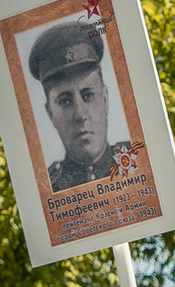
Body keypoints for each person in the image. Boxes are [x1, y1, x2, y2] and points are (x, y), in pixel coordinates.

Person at [27, 19, 138, 191]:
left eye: (88, 95)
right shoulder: (48, 189)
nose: (80, 114)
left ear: (105, 100)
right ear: (50, 113)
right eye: (65, 101)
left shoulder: (140, 162)